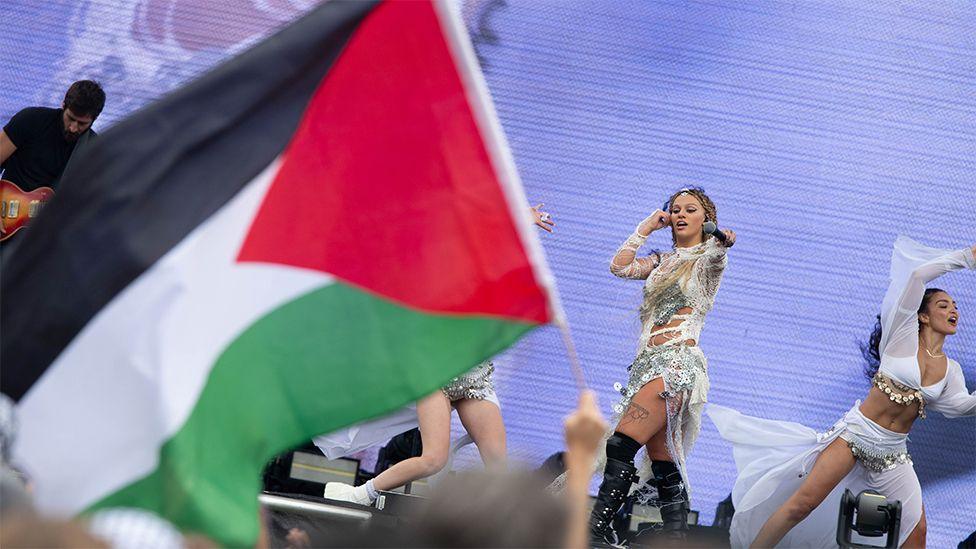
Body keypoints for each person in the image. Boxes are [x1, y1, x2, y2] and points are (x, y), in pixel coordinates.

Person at [708, 237, 976, 548]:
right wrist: (966, 257)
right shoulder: (900, 337)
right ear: (923, 315)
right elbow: (916, 275)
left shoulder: (950, 370)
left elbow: (962, 407)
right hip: (856, 437)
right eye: (943, 305)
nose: (953, 310)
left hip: (894, 455)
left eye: (955, 306)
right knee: (801, 505)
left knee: (917, 531)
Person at [321, 205, 554, 506]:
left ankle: (503, 524)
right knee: (433, 459)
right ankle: (361, 493)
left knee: (498, 467)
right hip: (436, 375)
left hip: (475, 378)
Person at [553, 187, 735, 545]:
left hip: (675, 366)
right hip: (647, 368)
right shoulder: (660, 260)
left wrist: (721, 238)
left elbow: (722, 252)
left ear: (706, 218)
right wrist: (646, 228)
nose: (681, 214)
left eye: (691, 209)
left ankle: (596, 531)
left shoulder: (708, 260)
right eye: (675, 210)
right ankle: (676, 537)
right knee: (663, 461)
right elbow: (618, 267)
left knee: (621, 445)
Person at [1, 80, 105, 191]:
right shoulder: (31, 119)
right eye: (70, 118)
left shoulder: (94, 149)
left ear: (95, 119)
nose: (73, 128)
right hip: (8, 205)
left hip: (52, 207)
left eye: (82, 123)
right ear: (63, 105)